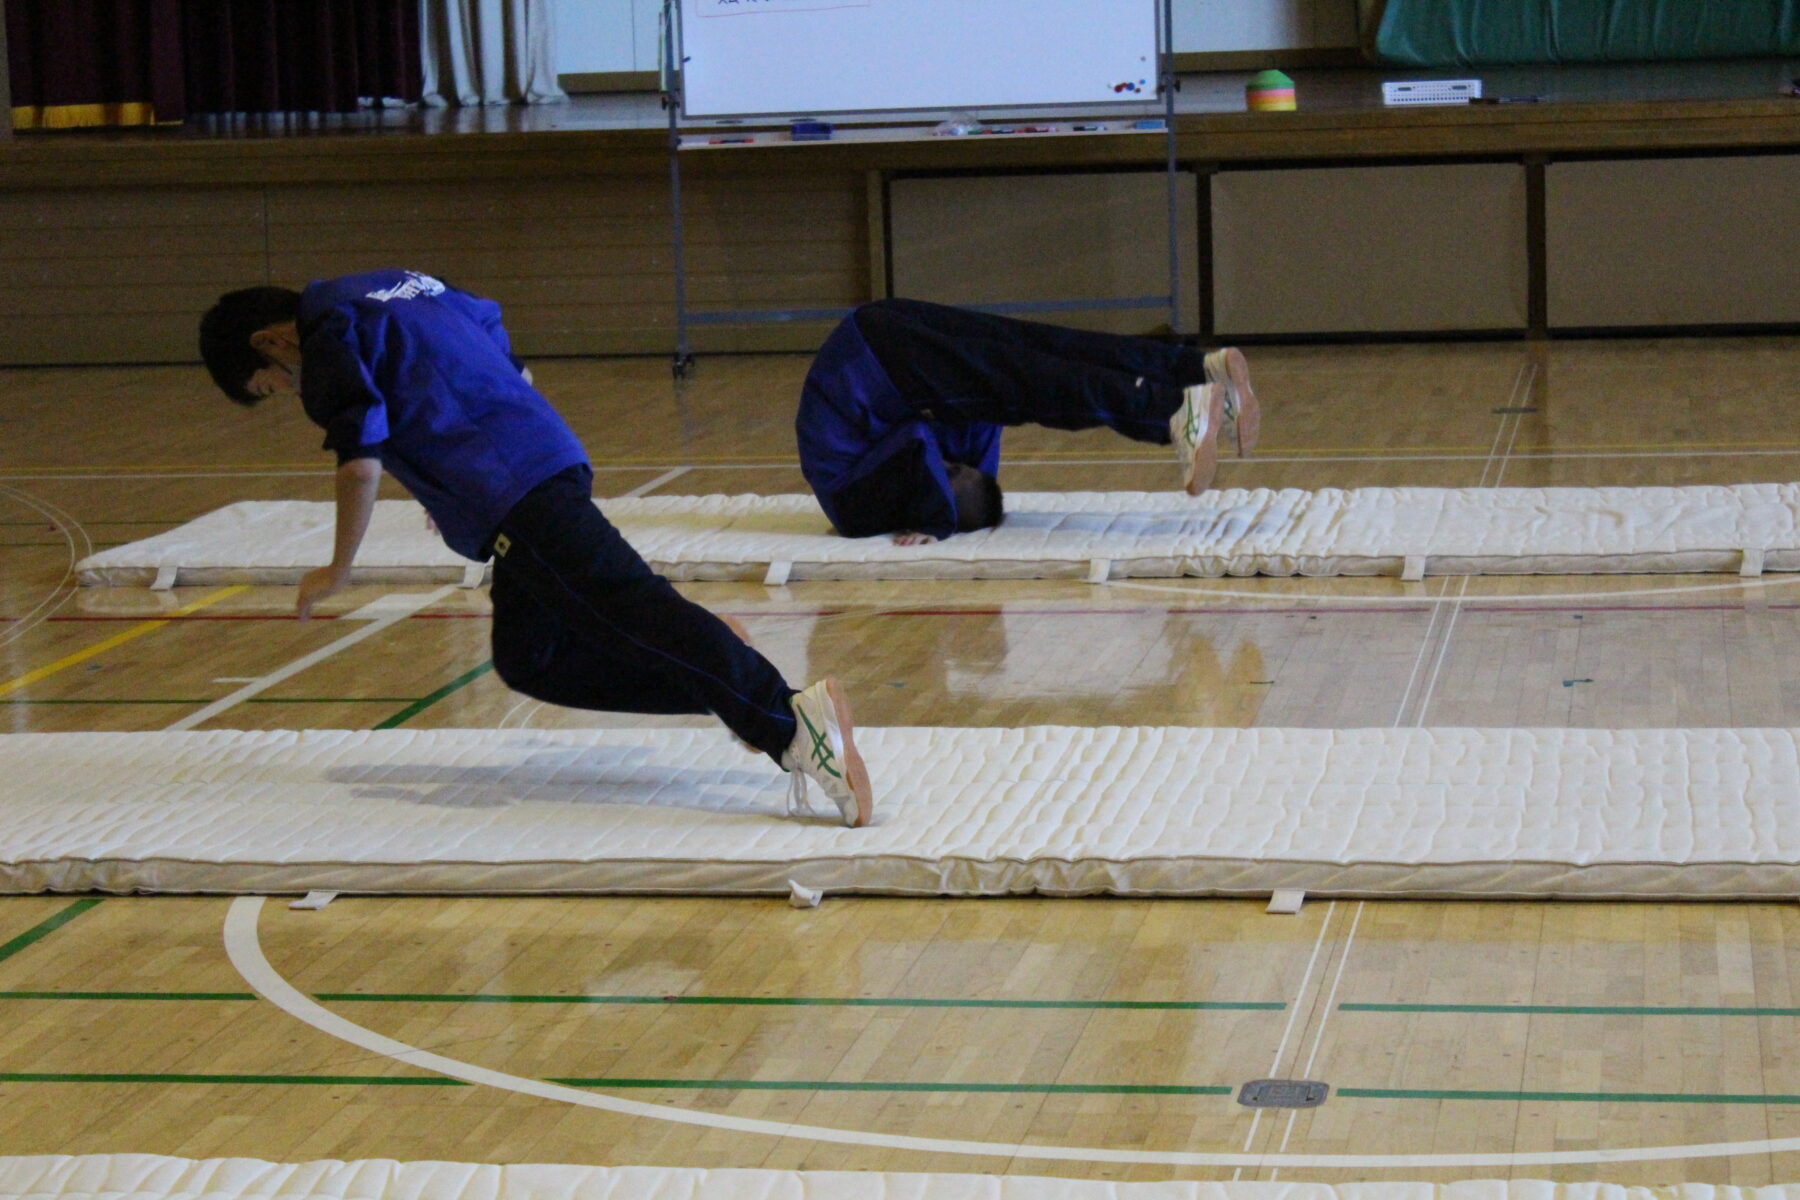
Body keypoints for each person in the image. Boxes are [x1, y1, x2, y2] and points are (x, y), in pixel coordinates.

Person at [198, 269, 873, 827]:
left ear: (271, 341)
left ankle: (789, 722)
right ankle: (720, 673)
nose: (290, 389)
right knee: (532, 660)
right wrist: (462, 485)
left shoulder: (326, 339)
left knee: (631, 606)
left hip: (515, 491)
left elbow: (360, 462)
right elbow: (500, 347)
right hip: (536, 465)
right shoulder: (399, 286)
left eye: (274, 382)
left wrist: (337, 569)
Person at [796, 298, 1260, 544]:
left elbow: (919, 443)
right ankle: (1196, 370)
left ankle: (1174, 414)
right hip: (869, 334)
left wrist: (936, 524)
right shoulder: (889, 477)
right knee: (1043, 348)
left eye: (949, 474)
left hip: (878, 364)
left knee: (1039, 386)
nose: (950, 467)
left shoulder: (855, 511)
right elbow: (979, 422)